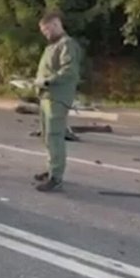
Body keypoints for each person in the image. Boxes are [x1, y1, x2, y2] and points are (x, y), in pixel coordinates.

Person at [32, 11, 82, 192]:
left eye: (46, 30)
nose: (45, 34)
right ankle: (51, 168)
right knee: (47, 136)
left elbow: (69, 71)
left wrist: (47, 81)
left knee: (54, 137)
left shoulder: (66, 44)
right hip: (46, 97)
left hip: (57, 97)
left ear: (55, 25)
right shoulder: (51, 47)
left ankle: (56, 178)